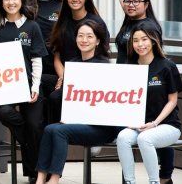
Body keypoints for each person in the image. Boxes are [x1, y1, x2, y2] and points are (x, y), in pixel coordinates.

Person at [35, 19, 121, 184]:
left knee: (60, 131)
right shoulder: (73, 64)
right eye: (80, 36)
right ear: (75, 39)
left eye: (89, 36)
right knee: (49, 129)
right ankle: (40, 179)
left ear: (97, 41)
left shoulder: (104, 66)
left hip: (101, 127)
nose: (84, 40)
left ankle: (53, 179)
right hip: (79, 122)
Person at [116, 0, 173, 183]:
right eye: (128, 2)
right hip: (125, 84)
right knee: (126, 133)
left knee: (153, 130)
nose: (130, 5)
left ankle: (165, 175)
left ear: (146, 4)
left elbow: (154, 57)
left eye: (136, 2)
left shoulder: (148, 27)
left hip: (145, 84)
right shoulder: (129, 18)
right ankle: (129, 179)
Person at [0, 0, 47, 184]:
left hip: (29, 87)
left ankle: (34, 173)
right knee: (3, 112)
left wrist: (35, 87)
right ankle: (27, 140)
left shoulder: (32, 26)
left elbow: (36, 59)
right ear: (1, 2)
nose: (11, 2)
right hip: (5, 88)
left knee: (34, 124)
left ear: (21, 0)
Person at [116, 22, 182, 184]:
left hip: (167, 125)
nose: (140, 44)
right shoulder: (129, 67)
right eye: (136, 40)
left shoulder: (167, 66)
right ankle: (130, 181)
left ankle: (154, 181)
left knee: (145, 139)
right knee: (122, 137)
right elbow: (124, 99)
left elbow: (172, 101)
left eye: (144, 39)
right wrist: (130, 122)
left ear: (153, 40)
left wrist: (154, 123)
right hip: (139, 126)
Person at [48, 0, 109, 122]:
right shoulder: (62, 22)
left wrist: (72, 80)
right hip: (66, 75)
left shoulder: (96, 22)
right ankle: (49, 133)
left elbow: (102, 57)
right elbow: (57, 57)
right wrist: (64, 78)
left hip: (90, 78)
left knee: (58, 97)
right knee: (45, 89)